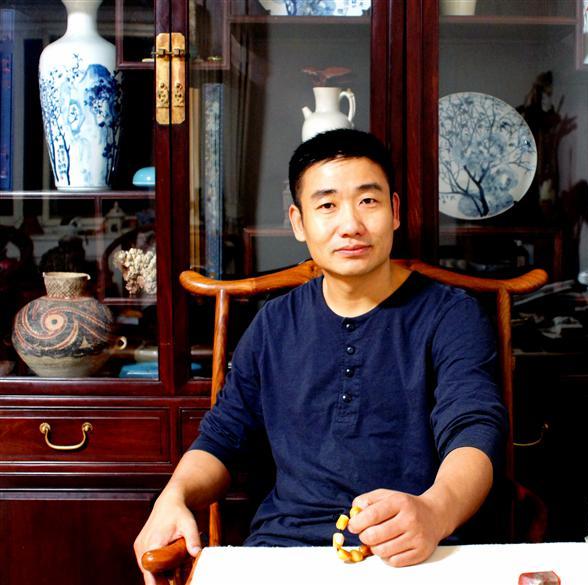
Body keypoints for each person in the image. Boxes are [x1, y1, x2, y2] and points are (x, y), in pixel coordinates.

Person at [134, 129, 507, 583]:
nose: (350, 224)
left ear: (394, 211)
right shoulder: (272, 325)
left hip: (412, 553)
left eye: (367, 201)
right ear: (298, 222)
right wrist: (173, 495)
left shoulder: (450, 315)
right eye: (327, 205)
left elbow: (473, 431)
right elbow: (222, 440)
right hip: (285, 553)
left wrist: (435, 510)